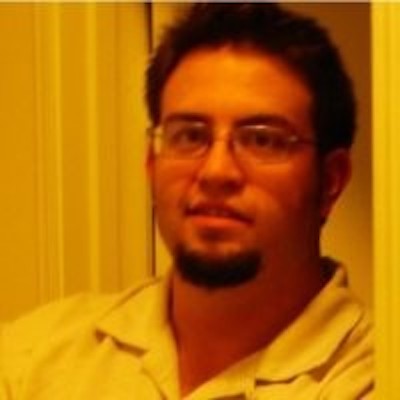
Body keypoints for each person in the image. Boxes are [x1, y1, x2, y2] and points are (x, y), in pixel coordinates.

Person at [0, 3, 373, 399]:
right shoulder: (33, 359)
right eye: (190, 136)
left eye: (262, 139)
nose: (216, 171)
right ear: (151, 162)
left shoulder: (374, 377)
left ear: (330, 181)